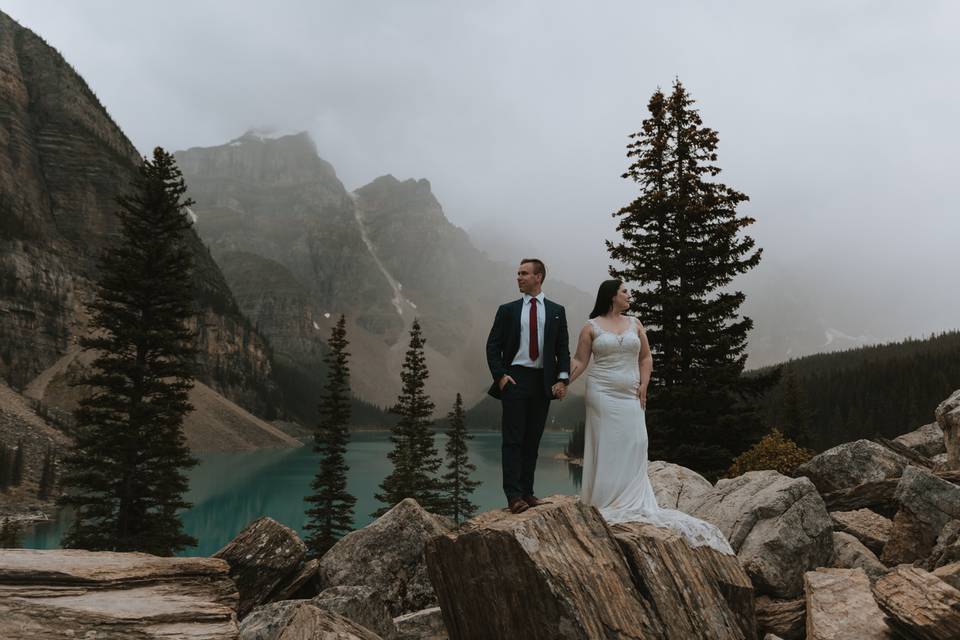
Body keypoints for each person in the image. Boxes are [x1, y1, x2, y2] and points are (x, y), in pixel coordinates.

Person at [568, 279, 733, 554]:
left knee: (636, 441)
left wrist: (644, 384)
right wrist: (563, 380)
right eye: (624, 291)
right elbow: (580, 361)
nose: (629, 295)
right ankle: (606, 499)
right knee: (607, 443)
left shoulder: (636, 323)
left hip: (631, 393)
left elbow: (646, 358)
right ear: (611, 296)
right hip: (602, 392)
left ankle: (632, 500)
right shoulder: (591, 326)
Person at [486, 259, 571, 514]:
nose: (519, 277)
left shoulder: (557, 310)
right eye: (518, 273)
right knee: (513, 440)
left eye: (524, 273)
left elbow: (562, 350)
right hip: (515, 379)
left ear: (539, 277)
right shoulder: (507, 310)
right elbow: (492, 346)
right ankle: (513, 496)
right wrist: (501, 376)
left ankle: (527, 492)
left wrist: (562, 378)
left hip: (542, 382)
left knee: (532, 440)